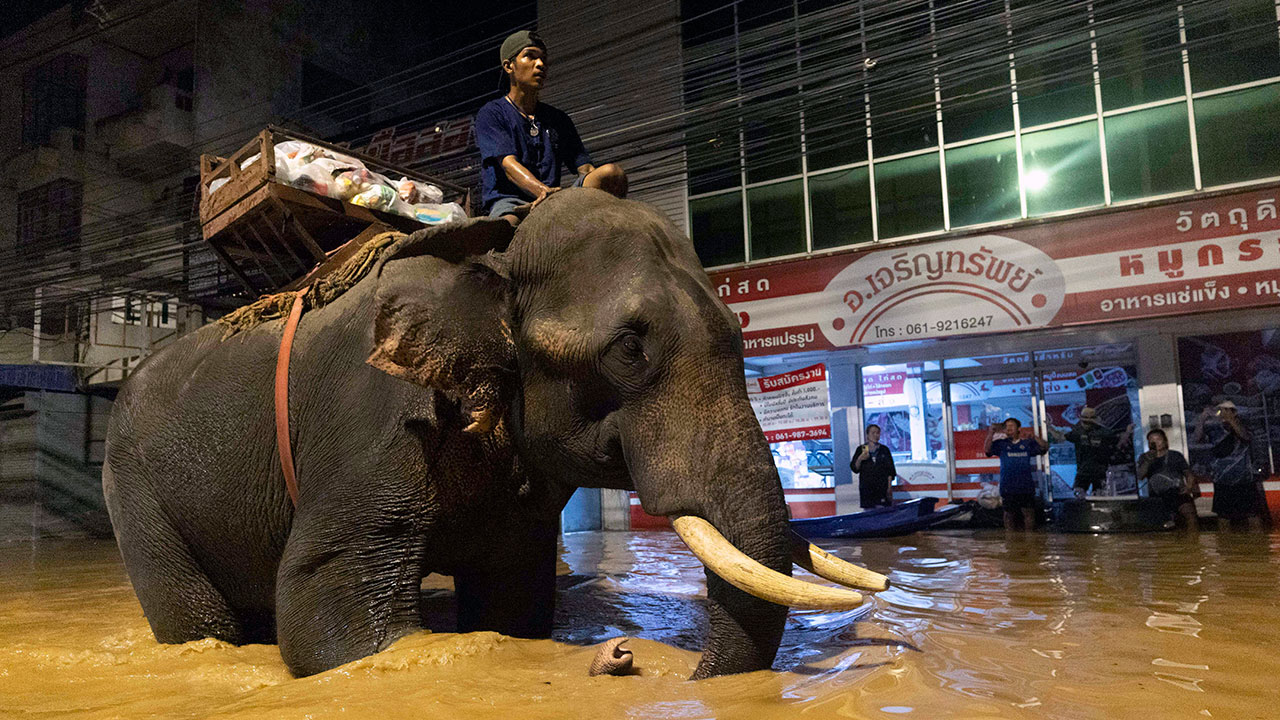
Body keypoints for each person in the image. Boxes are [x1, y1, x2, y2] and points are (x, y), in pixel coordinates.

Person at [474, 30, 628, 224]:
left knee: (612, 174)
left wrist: (597, 190)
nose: (540, 64)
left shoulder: (558, 119)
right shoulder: (492, 113)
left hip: (556, 198)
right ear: (509, 66)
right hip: (511, 201)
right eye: (530, 56)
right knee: (507, 225)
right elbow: (509, 166)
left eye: (543, 59)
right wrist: (543, 191)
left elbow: (585, 168)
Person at [1192, 400, 1263, 530]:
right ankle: (1224, 541)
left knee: (1252, 514)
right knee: (1223, 516)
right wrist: (1202, 418)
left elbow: (1246, 436)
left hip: (1244, 478)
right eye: (1221, 410)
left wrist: (1231, 419)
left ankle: (1258, 540)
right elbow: (1196, 439)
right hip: (1221, 478)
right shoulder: (1214, 429)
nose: (1222, 413)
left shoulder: (1243, 424)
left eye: (1226, 410)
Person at [984, 417, 1049, 531]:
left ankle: (1030, 538)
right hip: (1008, 486)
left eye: (1011, 426)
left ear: (1018, 428)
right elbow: (987, 450)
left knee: (1028, 513)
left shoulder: (1027, 443)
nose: (1009, 428)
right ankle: (1010, 538)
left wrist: (1034, 437)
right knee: (1008, 514)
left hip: (1025, 485)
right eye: (1006, 426)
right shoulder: (1001, 444)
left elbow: (1044, 447)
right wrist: (991, 433)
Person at [1136, 428, 1197, 532]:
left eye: (1158, 439)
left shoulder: (1175, 455)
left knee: (1190, 516)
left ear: (1165, 441)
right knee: (1161, 526)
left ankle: (1193, 539)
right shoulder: (1144, 457)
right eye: (1152, 441)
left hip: (1178, 492)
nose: (1156, 443)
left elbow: (1188, 473)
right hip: (1158, 496)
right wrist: (1148, 461)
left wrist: (1189, 487)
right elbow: (1140, 476)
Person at [1050, 407, 1119, 498]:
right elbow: (1061, 437)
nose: (1086, 424)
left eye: (1088, 422)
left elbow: (1117, 443)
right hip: (1085, 471)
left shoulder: (1104, 433)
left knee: (1098, 496)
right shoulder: (1079, 432)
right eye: (1084, 421)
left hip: (1099, 471)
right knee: (1080, 495)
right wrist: (1049, 428)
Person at [851, 424, 896, 508]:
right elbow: (855, 468)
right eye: (873, 433)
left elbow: (890, 470)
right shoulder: (861, 449)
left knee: (883, 511)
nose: (876, 435)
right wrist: (860, 458)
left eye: (877, 433)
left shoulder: (884, 450)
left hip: (882, 488)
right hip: (867, 489)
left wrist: (889, 487)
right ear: (867, 435)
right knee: (869, 511)